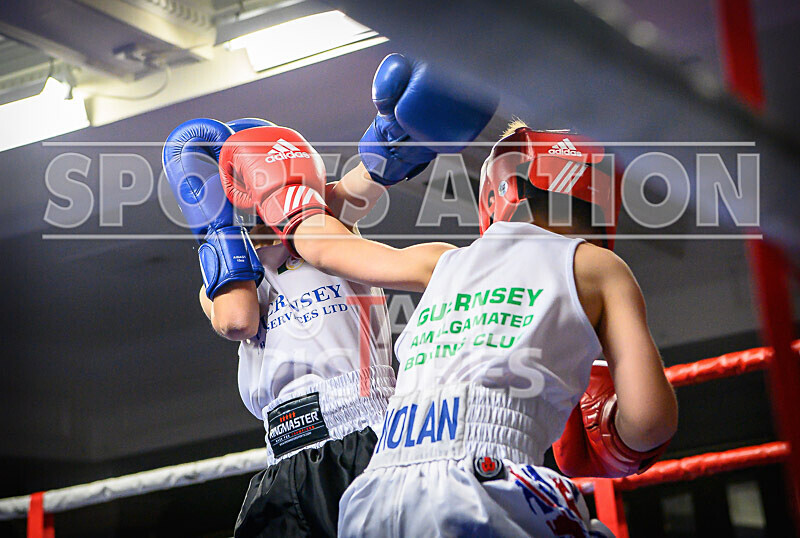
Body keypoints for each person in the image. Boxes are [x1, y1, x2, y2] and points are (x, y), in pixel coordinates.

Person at [217, 52, 678, 536]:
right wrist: (615, 433)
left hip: (374, 491)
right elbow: (649, 421)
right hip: (485, 477)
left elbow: (321, 245)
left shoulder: (442, 261)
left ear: (497, 194)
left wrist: (288, 193)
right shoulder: (600, 269)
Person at [163, 117, 397, 538]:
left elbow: (371, 174)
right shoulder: (221, 283)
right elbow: (237, 321)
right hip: (284, 456)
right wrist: (218, 228)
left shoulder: (325, 220)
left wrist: (396, 133)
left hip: (362, 428)